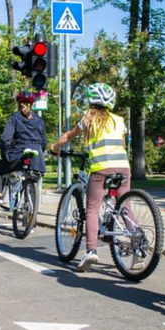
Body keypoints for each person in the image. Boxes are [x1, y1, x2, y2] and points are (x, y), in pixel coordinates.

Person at [50, 83, 132, 272]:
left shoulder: (88, 119)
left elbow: (67, 137)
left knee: (93, 209)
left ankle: (91, 251)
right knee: (124, 205)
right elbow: (121, 145)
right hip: (123, 167)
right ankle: (137, 249)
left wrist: (54, 147)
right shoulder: (118, 120)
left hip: (101, 168)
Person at [0, 90, 47, 204]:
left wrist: (5, 154)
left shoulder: (14, 118)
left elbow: (6, 139)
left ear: (18, 104)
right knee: (30, 176)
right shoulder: (39, 120)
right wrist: (40, 153)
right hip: (37, 158)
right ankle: (30, 212)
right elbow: (44, 142)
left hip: (19, 154)